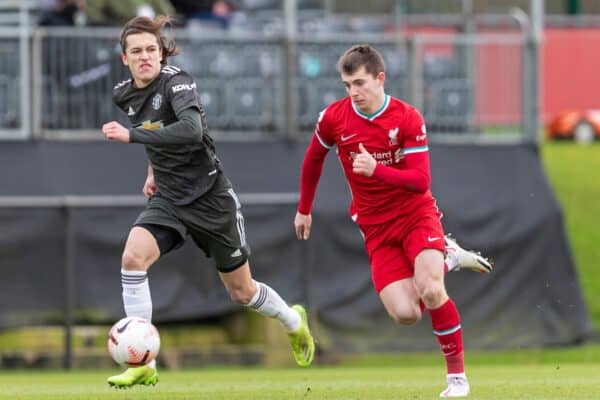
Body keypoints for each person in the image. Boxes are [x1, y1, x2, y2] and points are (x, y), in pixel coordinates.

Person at [102, 15, 314, 388]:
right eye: (136, 51)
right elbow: (156, 132)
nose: (145, 57)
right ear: (125, 58)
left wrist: (132, 137)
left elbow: (191, 130)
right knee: (133, 258)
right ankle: (144, 363)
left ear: (161, 52)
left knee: (241, 291)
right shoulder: (124, 93)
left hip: (210, 197)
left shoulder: (177, 82)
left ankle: (293, 322)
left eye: (151, 49)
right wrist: (153, 170)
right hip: (169, 196)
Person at [294, 44, 493, 398]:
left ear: (380, 79)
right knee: (405, 313)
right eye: (346, 85)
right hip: (376, 228)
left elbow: (420, 181)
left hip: (416, 215)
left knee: (431, 289)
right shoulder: (334, 118)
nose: (353, 92)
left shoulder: (407, 118)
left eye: (359, 83)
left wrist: (377, 169)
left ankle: (457, 380)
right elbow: (313, 159)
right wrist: (304, 208)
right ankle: (448, 257)